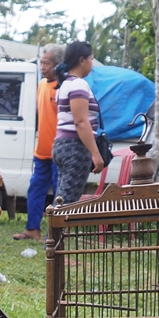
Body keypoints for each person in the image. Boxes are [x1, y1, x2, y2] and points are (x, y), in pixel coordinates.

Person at [14, 44, 63, 240]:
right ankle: (32, 229)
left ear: (58, 65)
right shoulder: (41, 84)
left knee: (60, 193)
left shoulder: (63, 87)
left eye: (46, 63)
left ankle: (57, 232)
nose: (42, 67)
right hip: (41, 151)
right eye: (41, 63)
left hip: (59, 151)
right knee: (35, 189)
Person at [52, 40, 105, 203]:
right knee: (67, 203)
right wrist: (96, 154)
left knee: (62, 197)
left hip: (62, 144)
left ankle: (54, 221)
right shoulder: (78, 84)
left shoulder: (64, 85)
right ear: (82, 60)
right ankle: (56, 222)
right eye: (91, 59)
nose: (92, 64)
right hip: (75, 147)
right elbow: (81, 122)